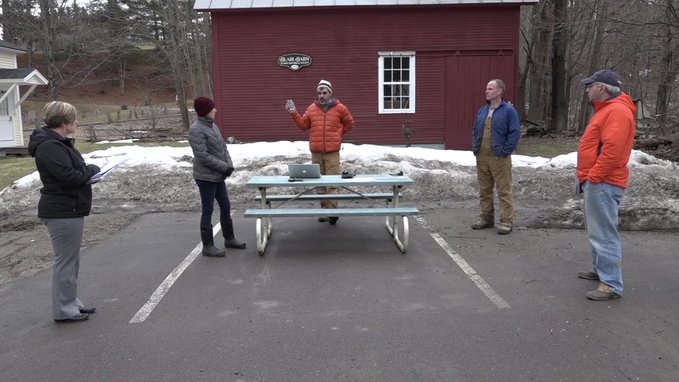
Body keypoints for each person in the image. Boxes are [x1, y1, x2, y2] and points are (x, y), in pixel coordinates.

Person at [28, 101, 100, 323]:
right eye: (73, 119)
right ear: (63, 122)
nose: (76, 123)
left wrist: (87, 171)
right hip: (61, 211)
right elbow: (70, 176)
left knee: (71, 261)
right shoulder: (50, 147)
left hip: (69, 208)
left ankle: (70, 301)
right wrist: (91, 171)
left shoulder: (60, 144)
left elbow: (78, 170)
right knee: (65, 262)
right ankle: (64, 309)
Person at [577, 69, 636, 301]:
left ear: (602, 87)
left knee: (604, 233)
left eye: (590, 85)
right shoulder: (610, 109)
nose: (587, 89)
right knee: (597, 230)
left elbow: (613, 151)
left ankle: (611, 284)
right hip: (599, 180)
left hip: (604, 181)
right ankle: (600, 269)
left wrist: (594, 176)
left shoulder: (617, 111)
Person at [285, 79, 355, 225]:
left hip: (332, 152)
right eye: (319, 93)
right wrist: (293, 113)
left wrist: (338, 134)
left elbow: (350, 123)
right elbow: (304, 125)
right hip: (316, 152)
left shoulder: (340, 108)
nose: (321, 95)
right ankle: (325, 212)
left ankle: (333, 213)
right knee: (320, 184)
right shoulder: (312, 108)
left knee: (332, 183)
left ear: (330, 93)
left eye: (324, 92)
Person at [189, 96, 246, 257]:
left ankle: (229, 238)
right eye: (212, 108)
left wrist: (229, 165)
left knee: (226, 206)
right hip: (205, 177)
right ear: (205, 111)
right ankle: (207, 246)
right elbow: (202, 156)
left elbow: (223, 147)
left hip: (218, 174)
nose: (215, 110)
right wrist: (224, 167)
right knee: (208, 209)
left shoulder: (213, 126)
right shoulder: (196, 129)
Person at [471, 79, 521, 235]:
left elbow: (515, 133)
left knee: (503, 190)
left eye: (490, 88)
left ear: (499, 91)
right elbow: (475, 130)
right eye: (486, 88)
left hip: (499, 157)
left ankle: (507, 221)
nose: (486, 91)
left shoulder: (508, 111)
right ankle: (486, 217)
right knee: (484, 189)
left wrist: (505, 151)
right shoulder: (482, 110)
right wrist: (475, 147)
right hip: (482, 156)